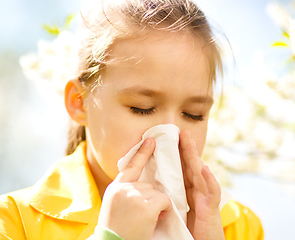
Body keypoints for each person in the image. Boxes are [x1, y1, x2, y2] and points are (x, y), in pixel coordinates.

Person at [0, 0, 264, 239]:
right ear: (80, 102)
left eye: (193, 114)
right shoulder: (15, 222)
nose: (169, 134)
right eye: (142, 108)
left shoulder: (239, 227)